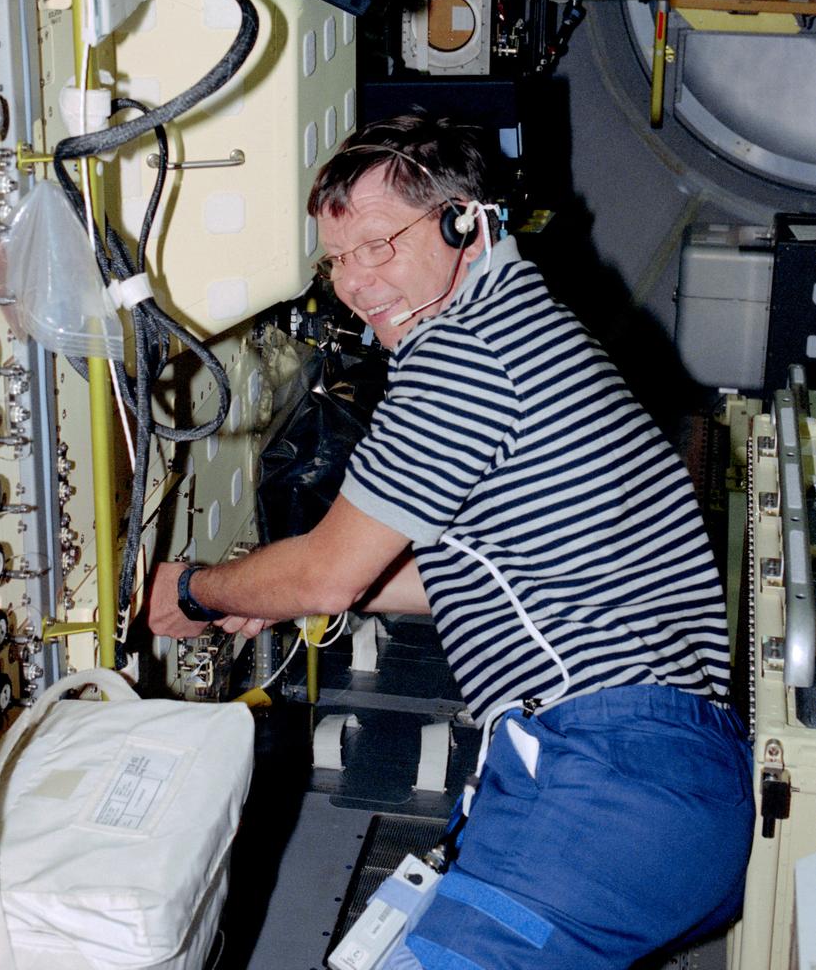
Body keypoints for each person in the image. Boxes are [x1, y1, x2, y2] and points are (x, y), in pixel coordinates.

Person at [148, 113, 754, 969]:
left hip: (601, 782)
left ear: (466, 223)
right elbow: (476, 573)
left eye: (377, 245)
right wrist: (266, 592)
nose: (354, 283)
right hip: (671, 785)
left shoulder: (463, 356)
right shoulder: (530, 330)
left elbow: (326, 575)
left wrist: (193, 591)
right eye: (335, 259)